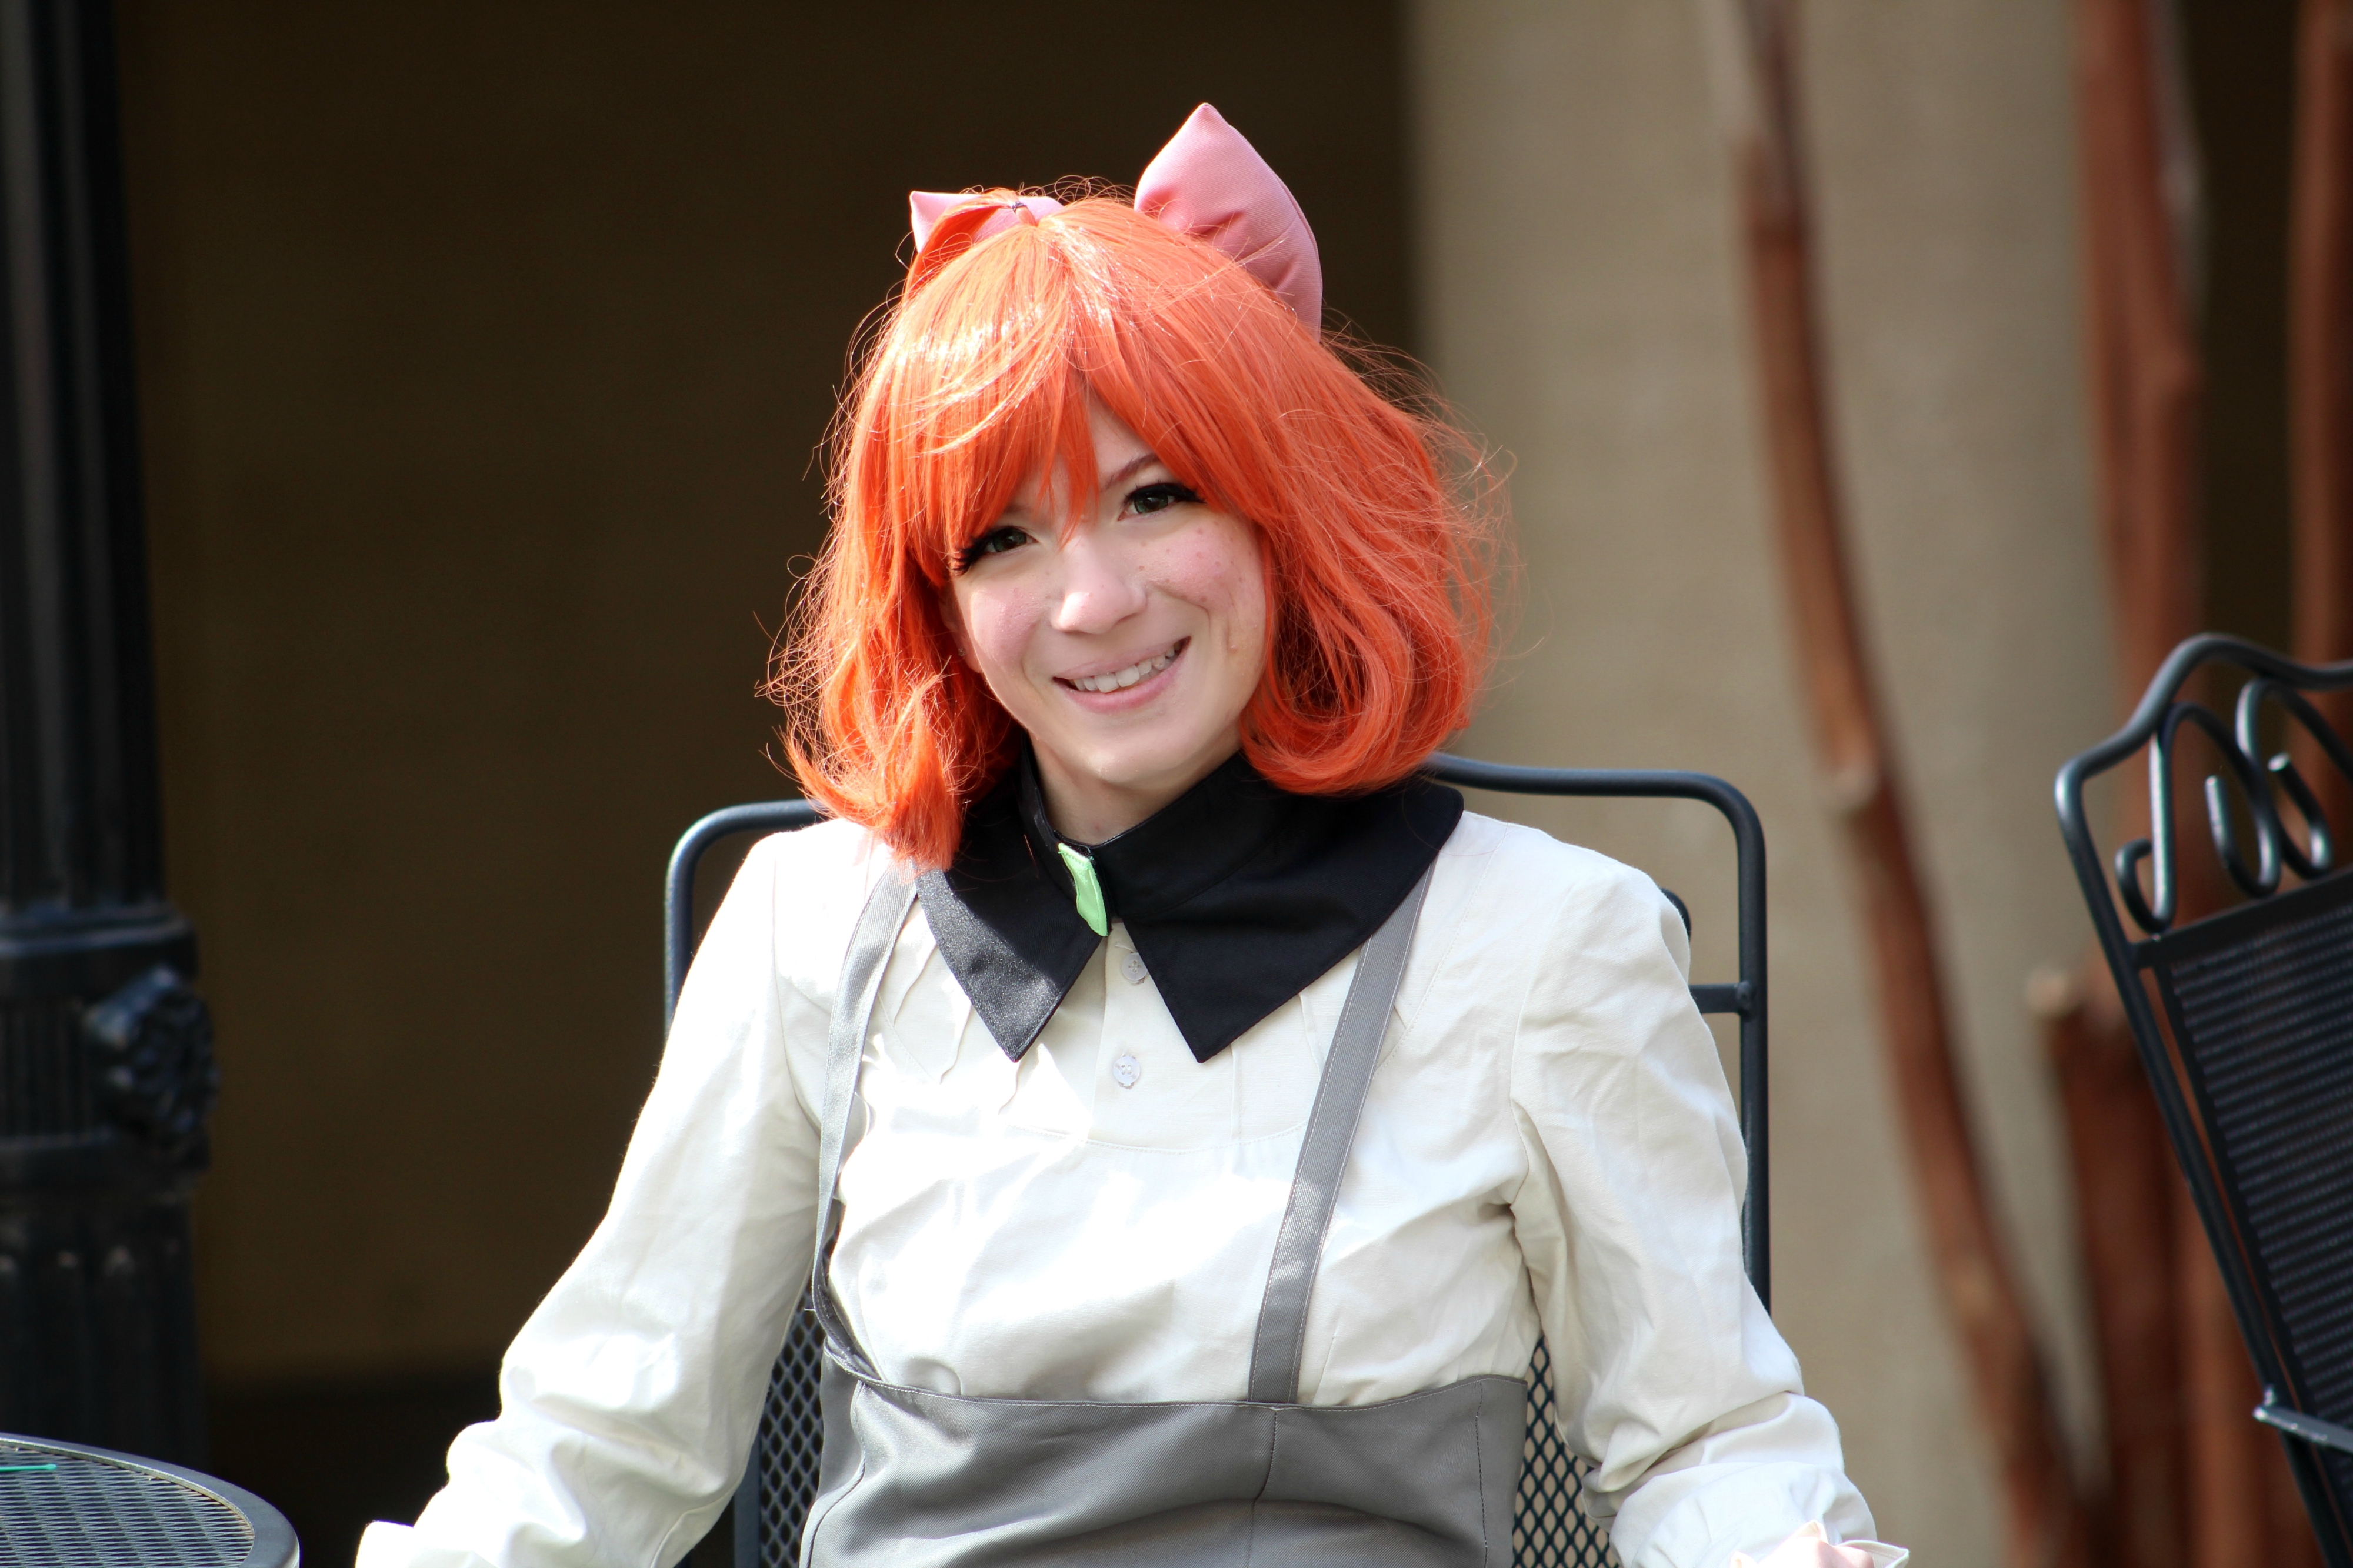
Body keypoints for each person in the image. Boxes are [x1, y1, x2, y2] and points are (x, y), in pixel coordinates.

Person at [359, 105, 1905, 1568]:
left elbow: (1707, 1444)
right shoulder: (814, 922)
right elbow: (607, 1432)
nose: (1093, 601)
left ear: (1283, 514)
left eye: (1158, 498)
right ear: (941, 604)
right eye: (1004, 537)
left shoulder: (1543, 942)